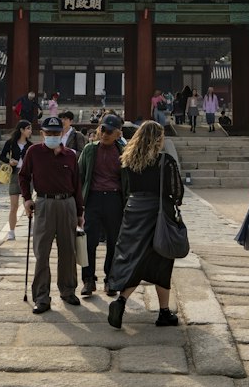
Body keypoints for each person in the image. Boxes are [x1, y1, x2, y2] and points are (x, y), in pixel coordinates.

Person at [106, 120, 183, 329]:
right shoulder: (165, 161)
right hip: (158, 213)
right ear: (158, 139)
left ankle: (121, 301)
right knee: (162, 260)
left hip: (134, 211)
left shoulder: (129, 160)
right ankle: (164, 312)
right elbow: (177, 192)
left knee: (135, 259)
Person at [20, 115, 85, 313]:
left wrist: (80, 211)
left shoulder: (71, 155)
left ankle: (68, 290)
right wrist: (26, 199)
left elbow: (77, 185)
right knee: (42, 252)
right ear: (42, 134)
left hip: (67, 204)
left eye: (57, 133)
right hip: (44, 204)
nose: (53, 136)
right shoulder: (34, 152)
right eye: (49, 133)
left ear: (62, 133)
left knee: (68, 251)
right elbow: (23, 176)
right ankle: (41, 296)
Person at [77, 113, 126, 297]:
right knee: (89, 242)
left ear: (118, 134)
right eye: (103, 129)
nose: (105, 134)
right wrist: (78, 203)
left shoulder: (123, 152)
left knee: (114, 241)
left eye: (110, 131)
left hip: (114, 199)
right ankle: (88, 280)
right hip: (94, 198)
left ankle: (111, 279)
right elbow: (79, 177)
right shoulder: (90, 150)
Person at [0, 119, 33, 240]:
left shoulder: (30, 145)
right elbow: (2, 155)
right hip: (14, 174)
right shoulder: (11, 143)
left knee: (28, 203)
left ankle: (31, 226)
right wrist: (9, 161)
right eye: (28, 128)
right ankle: (11, 231)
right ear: (22, 130)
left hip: (27, 175)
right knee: (14, 205)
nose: (30, 131)